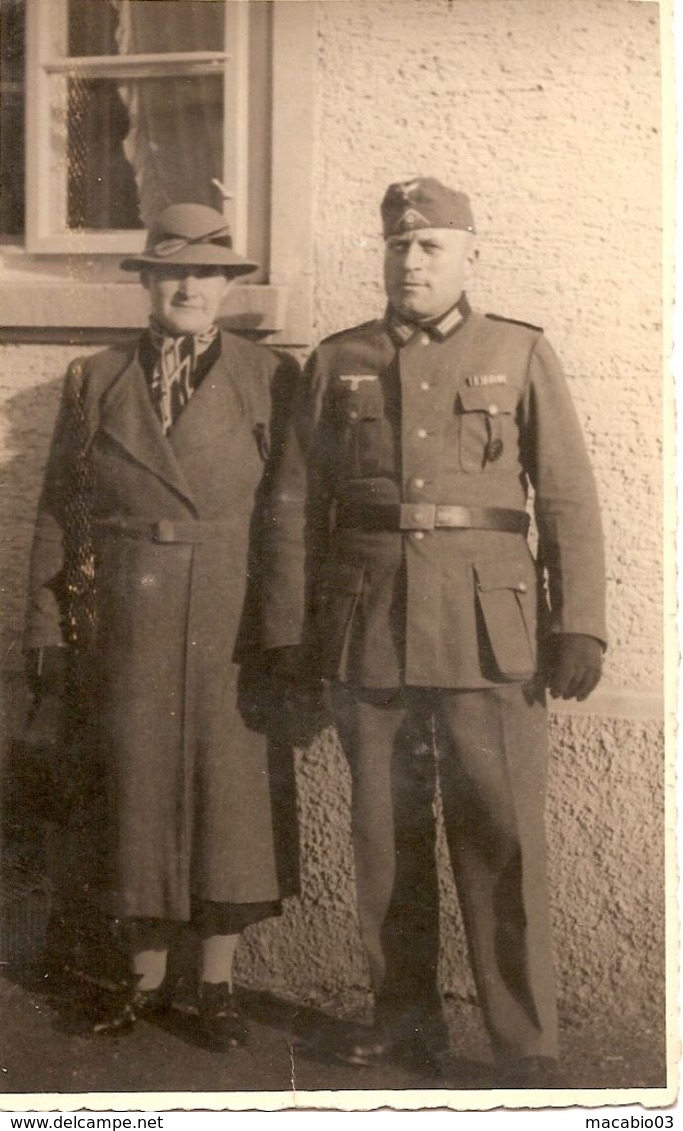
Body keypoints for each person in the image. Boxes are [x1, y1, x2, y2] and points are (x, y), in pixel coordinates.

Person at [262, 177, 606, 1084]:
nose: (411, 262)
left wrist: (578, 622)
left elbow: (566, 495)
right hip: (367, 623)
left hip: (488, 636)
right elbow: (295, 504)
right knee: (382, 832)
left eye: (430, 248)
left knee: (499, 831)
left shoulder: (519, 351)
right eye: (398, 247)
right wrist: (291, 633)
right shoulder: (339, 361)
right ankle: (403, 1018)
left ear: (466, 254)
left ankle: (523, 1039)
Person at [24, 203, 300, 1049]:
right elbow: (61, 511)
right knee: (133, 793)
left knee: (231, 799)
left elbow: (289, 513)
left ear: (226, 286)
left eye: (208, 272)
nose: (189, 285)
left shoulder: (270, 378)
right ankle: (138, 979)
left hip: (229, 614)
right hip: (128, 621)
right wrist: (45, 624)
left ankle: (214, 985)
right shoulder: (95, 378)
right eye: (172, 271)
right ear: (146, 282)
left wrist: (286, 631)